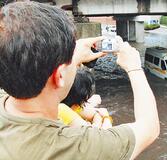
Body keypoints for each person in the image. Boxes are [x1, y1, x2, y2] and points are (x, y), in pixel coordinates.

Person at [0, 2, 159, 160]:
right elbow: (149, 128)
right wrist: (134, 68)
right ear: (59, 76)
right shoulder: (81, 147)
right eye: (74, 65)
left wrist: (72, 56)